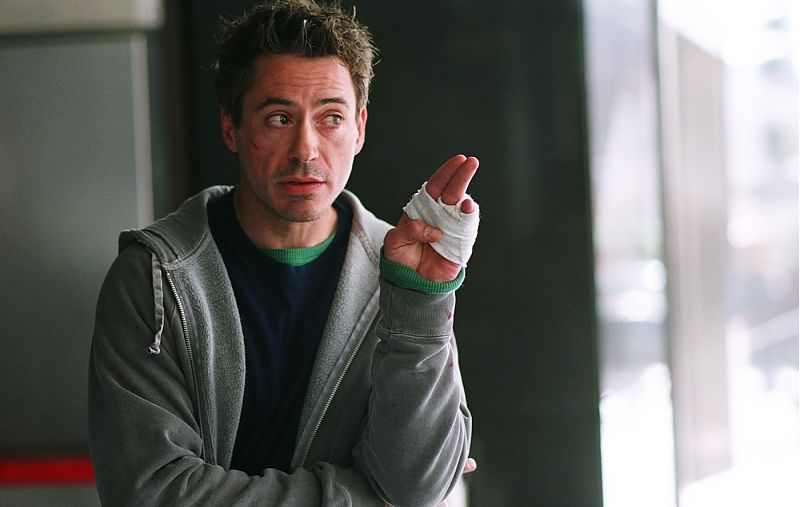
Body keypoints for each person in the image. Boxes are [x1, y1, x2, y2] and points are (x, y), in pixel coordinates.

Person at [88, 0, 479, 505]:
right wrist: (363, 498)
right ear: (231, 127)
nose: (305, 150)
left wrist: (418, 304)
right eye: (278, 118)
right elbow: (152, 493)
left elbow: (416, 485)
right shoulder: (155, 276)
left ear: (359, 128)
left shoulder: (401, 267)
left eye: (331, 118)